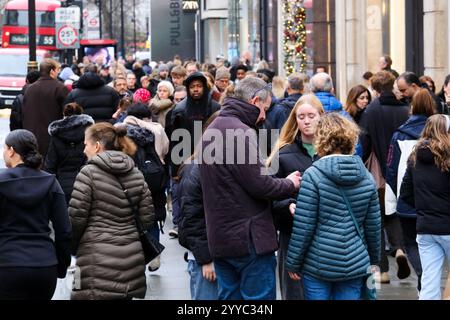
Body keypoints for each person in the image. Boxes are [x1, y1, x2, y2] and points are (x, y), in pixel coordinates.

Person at [199, 76, 301, 300]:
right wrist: (290, 183)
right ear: (255, 101)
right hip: (248, 239)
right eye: (265, 109)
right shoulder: (240, 132)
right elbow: (260, 184)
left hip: (221, 238)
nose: (264, 116)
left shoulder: (213, 129)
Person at [286, 113, 381, 300]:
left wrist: (293, 263)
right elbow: (373, 228)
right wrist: (373, 262)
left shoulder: (313, 175)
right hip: (355, 263)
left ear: (321, 139)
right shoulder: (367, 177)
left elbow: (304, 226)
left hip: (317, 263)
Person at [69, 123, 154, 300]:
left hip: (95, 259)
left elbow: (76, 218)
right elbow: (147, 218)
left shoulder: (88, 174)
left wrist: (73, 246)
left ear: (97, 145)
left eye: (86, 144)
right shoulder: (136, 173)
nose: (84, 150)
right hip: (132, 257)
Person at [0, 130, 72, 300]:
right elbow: (64, 231)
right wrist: (60, 267)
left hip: (6, 266)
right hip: (44, 267)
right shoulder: (51, 182)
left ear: (11, 150)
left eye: (4, 148)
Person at [267, 94, 324, 300]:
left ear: (321, 117)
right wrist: (287, 204)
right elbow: (269, 194)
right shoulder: (282, 154)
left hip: (327, 236)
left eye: (311, 115)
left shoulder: (332, 151)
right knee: (294, 293)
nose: (306, 121)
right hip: (292, 233)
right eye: (301, 116)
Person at [360, 70, 411, 284]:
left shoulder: (371, 111)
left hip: (378, 172)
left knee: (376, 219)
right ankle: (399, 249)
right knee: (394, 213)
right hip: (402, 170)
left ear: (375, 88)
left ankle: (382, 270)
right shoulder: (405, 109)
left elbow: (365, 142)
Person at [385, 88, 436, 292]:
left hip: (407, 196)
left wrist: (393, 197)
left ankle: (424, 274)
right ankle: (428, 278)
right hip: (435, 199)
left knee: (411, 243)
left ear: (412, 107)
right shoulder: (440, 133)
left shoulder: (400, 134)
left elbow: (391, 167)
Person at [400, 114, 450, 300]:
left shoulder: (415, 157)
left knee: (429, 282)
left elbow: (405, 192)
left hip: (425, 227)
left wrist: (423, 206)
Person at [166, 72, 221, 238]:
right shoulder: (180, 110)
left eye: (198, 86)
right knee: (189, 200)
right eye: (192, 87)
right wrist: (175, 170)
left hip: (212, 159)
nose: (196, 90)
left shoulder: (215, 108)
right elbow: (174, 141)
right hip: (187, 162)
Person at [45, 103, 95, 204]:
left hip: (61, 185)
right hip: (85, 183)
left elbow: (50, 165)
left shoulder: (56, 135)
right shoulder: (89, 133)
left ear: (64, 114)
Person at [22, 59, 69, 158]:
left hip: (31, 136)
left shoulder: (30, 89)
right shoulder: (60, 88)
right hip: (52, 137)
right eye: (57, 70)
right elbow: (67, 113)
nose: (58, 72)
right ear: (51, 71)